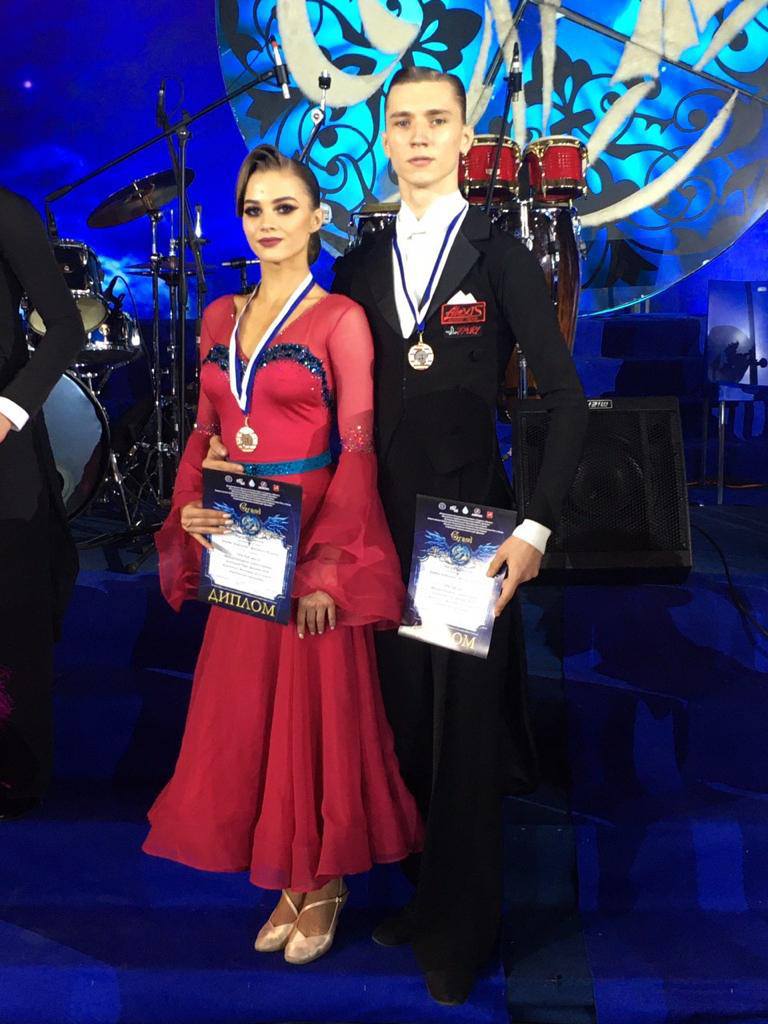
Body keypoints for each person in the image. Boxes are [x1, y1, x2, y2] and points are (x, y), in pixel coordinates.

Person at [207, 70, 588, 1003]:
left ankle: (462, 931)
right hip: (374, 532)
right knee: (406, 725)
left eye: (437, 121)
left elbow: (565, 400)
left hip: (466, 531)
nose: (419, 136)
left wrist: (535, 527)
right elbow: (322, 401)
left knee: (465, 737)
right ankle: (426, 898)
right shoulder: (361, 261)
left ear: (464, 136)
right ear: (384, 136)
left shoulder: (500, 251)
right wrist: (237, 452)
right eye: (403, 120)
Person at [143, 145, 423, 965]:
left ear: (317, 218)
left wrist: (330, 567)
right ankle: (286, 878)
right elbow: (204, 431)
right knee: (252, 716)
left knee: (315, 717)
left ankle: (322, 881)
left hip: (313, 539)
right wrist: (190, 506)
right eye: (254, 210)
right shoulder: (217, 319)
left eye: (284, 208)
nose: (267, 224)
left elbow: (358, 453)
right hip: (241, 543)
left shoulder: (340, 320)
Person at [0, 187, 83, 821]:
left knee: (13, 617)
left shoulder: (7, 210)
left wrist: (8, 410)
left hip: (3, 447)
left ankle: (14, 775)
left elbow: (66, 328)